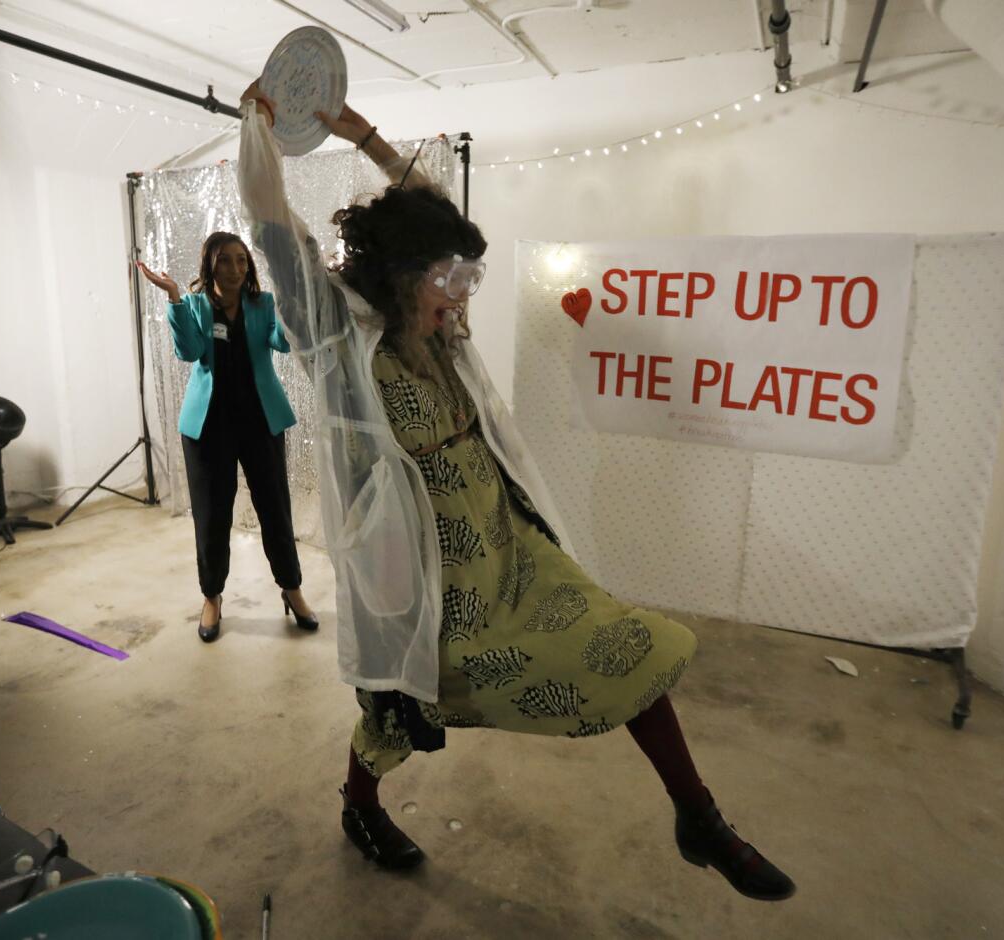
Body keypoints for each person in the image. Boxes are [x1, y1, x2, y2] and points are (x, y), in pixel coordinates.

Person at [235, 84, 795, 901]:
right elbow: (271, 223)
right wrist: (256, 131)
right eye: (446, 279)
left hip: (506, 539)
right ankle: (360, 804)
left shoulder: (440, 327)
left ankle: (699, 818)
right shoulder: (336, 331)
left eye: (465, 279)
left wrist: (369, 140)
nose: (462, 297)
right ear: (396, 277)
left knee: (629, 644)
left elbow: (440, 218)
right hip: (425, 574)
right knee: (395, 709)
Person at [136, 233, 318, 642]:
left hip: (260, 421)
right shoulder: (196, 307)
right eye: (224, 262)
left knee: (275, 511)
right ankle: (212, 597)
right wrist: (173, 298)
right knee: (212, 516)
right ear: (210, 265)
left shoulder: (264, 304)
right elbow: (188, 352)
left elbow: (281, 344)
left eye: (241, 261)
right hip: (208, 427)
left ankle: (291, 589)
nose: (235, 270)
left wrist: (292, 303)